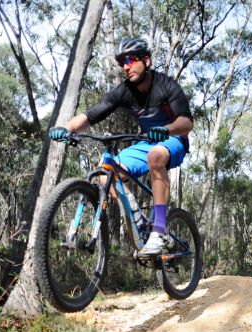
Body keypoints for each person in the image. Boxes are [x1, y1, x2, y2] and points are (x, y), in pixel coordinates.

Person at [48, 38, 194, 258]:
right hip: (147, 142)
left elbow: (187, 123)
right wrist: (66, 129)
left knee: (156, 155)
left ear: (147, 60)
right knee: (106, 174)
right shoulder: (124, 91)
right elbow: (90, 115)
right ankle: (136, 217)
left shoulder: (166, 85)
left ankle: (160, 230)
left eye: (131, 59)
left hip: (174, 139)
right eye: (122, 62)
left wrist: (166, 130)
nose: (126, 66)